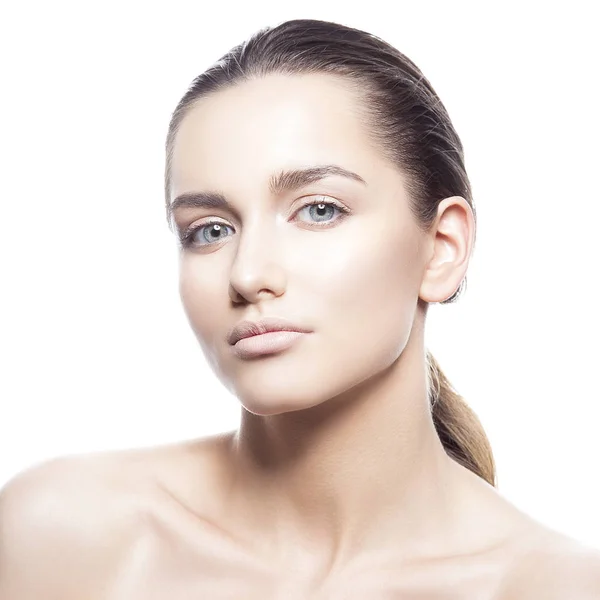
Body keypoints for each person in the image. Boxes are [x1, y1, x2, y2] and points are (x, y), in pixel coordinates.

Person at [1, 17, 599, 599]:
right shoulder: (59, 536)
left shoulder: (553, 587)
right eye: (209, 229)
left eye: (319, 210)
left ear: (441, 249)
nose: (248, 273)